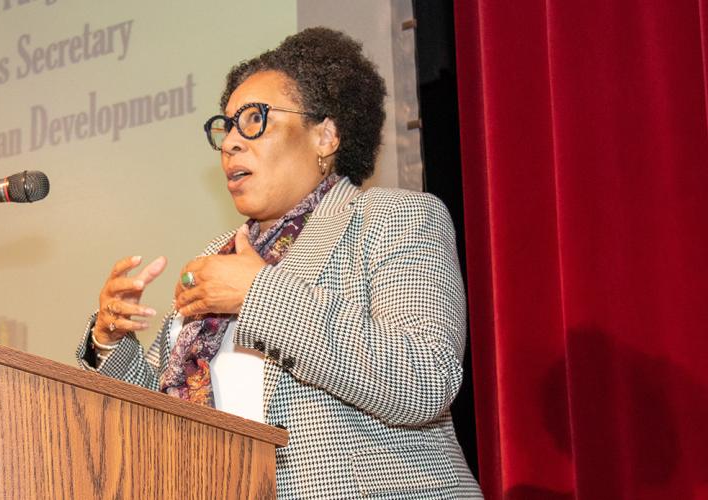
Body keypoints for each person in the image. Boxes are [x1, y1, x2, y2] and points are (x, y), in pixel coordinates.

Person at [77, 27, 481, 498]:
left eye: (254, 120)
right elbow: (157, 419)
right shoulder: (218, 258)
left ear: (325, 135)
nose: (230, 142)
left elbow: (423, 378)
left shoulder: (394, 218)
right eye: (226, 126)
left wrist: (258, 294)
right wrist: (110, 342)